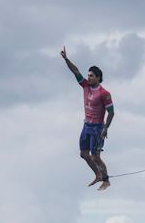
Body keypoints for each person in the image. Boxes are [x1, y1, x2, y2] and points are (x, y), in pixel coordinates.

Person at [61, 46, 114, 191]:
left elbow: (111, 113)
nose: (88, 77)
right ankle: (97, 174)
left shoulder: (104, 93)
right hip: (86, 126)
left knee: (95, 156)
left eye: (91, 76)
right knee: (83, 154)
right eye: (88, 75)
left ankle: (106, 180)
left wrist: (105, 128)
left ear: (98, 77)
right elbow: (75, 71)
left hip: (97, 128)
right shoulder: (85, 86)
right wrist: (66, 59)